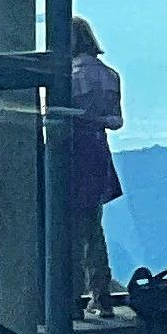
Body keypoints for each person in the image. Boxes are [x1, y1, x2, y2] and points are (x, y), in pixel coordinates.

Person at [65, 18, 126, 315]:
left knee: (71, 231)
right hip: (98, 151)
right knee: (93, 226)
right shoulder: (110, 75)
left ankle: (72, 299)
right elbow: (116, 121)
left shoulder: (68, 76)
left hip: (71, 153)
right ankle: (101, 296)